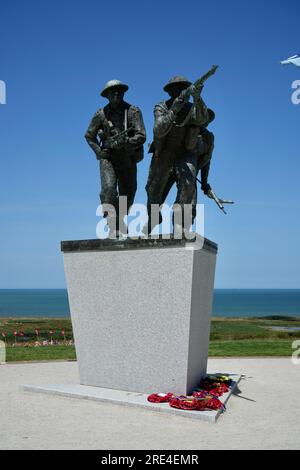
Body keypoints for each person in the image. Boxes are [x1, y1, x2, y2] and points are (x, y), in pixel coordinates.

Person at [144, 75, 213, 236]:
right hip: (164, 154)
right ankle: (154, 217)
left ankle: (179, 223)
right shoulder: (161, 106)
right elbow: (158, 130)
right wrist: (174, 109)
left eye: (183, 88)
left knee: (188, 185)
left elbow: (203, 119)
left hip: (185, 153)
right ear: (170, 92)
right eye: (176, 89)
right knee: (153, 191)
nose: (180, 92)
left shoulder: (192, 108)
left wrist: (198, 99)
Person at [85, 79, 146, 237]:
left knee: (129, 194)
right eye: (113, 92)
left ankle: (119, 218)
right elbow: (89, 136)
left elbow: (142, 135)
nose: (116, 94)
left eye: (119, 91)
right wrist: (98, 152)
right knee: (108, 190)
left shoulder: (133, 111)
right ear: (107, 96)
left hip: (127, 157)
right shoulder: (100, 114)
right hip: (109, 158)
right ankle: (113, 224)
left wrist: (127, 142)